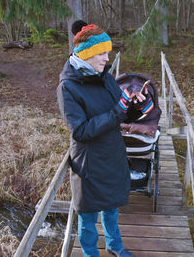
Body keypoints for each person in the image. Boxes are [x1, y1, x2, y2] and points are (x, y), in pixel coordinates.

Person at [57, 21, 152, 257]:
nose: (106, 58)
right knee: (88, 217)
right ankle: (91, 254)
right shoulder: (68, 87)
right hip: (88, 162)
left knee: (112, 209)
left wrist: (138, 106)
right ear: (86, 53)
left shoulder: (105, 77)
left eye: (107, 52)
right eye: (101, 53)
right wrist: (117, 112)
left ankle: (115, 246)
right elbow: (79, 131)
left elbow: (121, 111)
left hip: (112, 154)